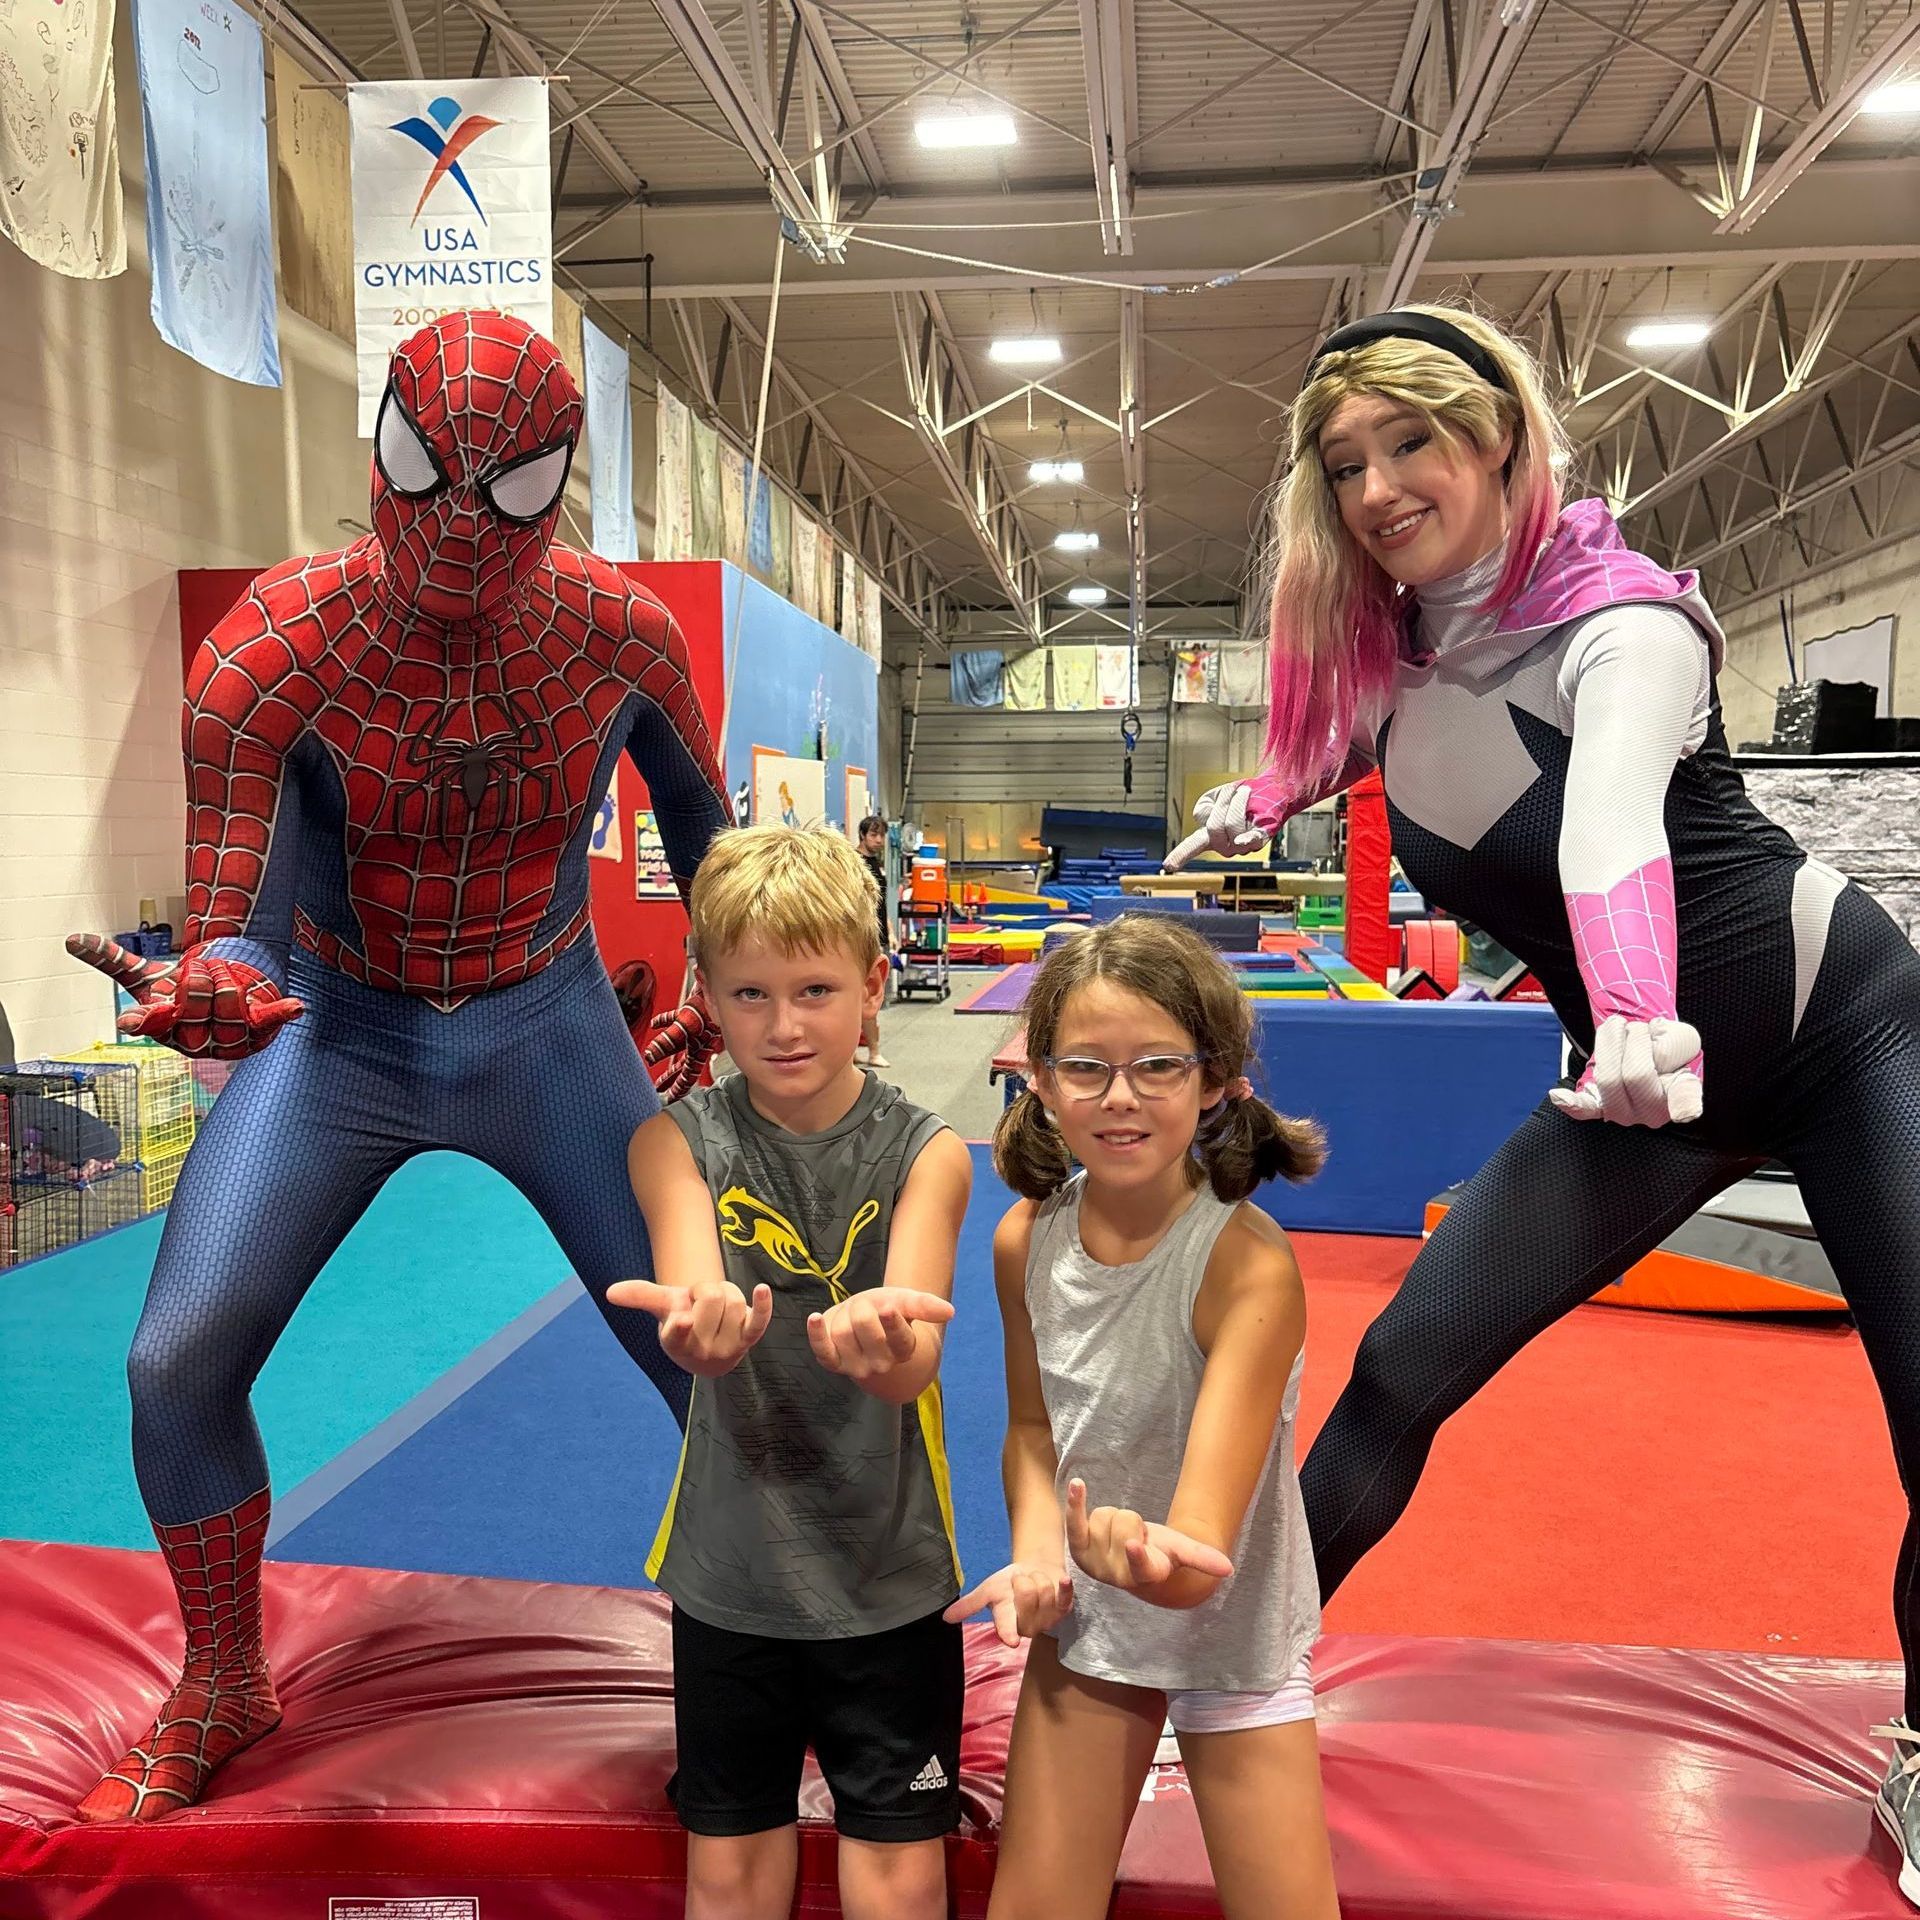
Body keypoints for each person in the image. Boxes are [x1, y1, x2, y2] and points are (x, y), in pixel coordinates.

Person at [1169, 300, 1920, 1902]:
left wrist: (1639, 1011)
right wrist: (1259, 790)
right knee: (1401, 1367)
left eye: (1413, 442)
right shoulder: (1381, 667)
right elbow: (1340, 756)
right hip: (1650, 1094)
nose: (1377, 488)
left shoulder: (1625, 627)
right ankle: (1234, 1678)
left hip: (1845, 1033)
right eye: (1346, 460)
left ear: (1501, 433)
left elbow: (1607, 836)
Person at [61, 311, 729, 1822]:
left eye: (504, 490)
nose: (453, 529)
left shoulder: (623, 635)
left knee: (717, 1357)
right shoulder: (270, 652)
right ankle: (223, 1675)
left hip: (548, 1019)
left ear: (561, 490)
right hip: (339, 1025)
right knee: (175, 1360)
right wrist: (214, 990)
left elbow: (716, 840)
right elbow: (234, 906)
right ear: (377, 447)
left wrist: (741, 994)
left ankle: (758, 1663)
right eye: (427, 473)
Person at [612, 824, 973, 1920]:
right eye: (751, 993)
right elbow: (690, 1283)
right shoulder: (674, 1143)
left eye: (814, 989)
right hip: (732, 1577)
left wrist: (886, 1346)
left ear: (872, 988)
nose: (783, 1025)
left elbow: (914, 1364)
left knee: (900, 1871)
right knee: (727, 1869)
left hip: (889, 1578)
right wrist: (699, 1328)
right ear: (708, 996)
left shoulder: (930, 1153)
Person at [952, 914, 1337, 1919]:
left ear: (1213, 1082)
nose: (1119, 1098)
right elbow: (1034, 1431)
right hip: (1093, 1619)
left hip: (1232, 1632)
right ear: (1036, 1078)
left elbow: (1202, 1542)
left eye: (1157, 1067)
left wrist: (1147, 1558)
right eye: (1085, 1067)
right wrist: (1042, 1558)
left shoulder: (1245, 1265)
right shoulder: (1023, 1241)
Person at [857, 814, 893, 1069]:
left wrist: (889, 928)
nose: (879, 840)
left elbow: (880, 902)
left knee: (871, 999)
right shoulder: (855, 862)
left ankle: (869, 1050)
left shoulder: (876, 862)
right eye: (873, 835)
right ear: (862, 835)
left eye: (881, 835)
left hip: (879, 934)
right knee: (861, 997)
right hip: (862, 937)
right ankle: (868, 1051)